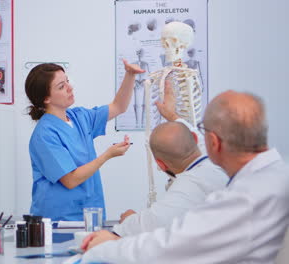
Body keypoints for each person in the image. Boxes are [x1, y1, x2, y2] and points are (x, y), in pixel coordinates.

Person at [81, 91, 289, 263]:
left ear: (214, 143)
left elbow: (169, 247)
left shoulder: (244, 198)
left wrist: (107, 246)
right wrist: (173, 116)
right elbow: (192, 142)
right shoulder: (276, 175)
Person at [25, 60, 144, 221]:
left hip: (90, 212)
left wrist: (130, 75)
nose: (69, 87)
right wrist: (107, 155)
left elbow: (118, 106)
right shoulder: (44, 135)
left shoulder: (80, 117)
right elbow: (70, 180)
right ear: (46, 98)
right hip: (60, 220)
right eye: (61, 86)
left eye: (67, 81)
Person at [113, 81, 227, 236]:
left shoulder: (187, 188)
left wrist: (129, 219)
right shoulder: (219, 158)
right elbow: (193, 133)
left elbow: (148, 223)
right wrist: (171, 115)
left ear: (160, 164)